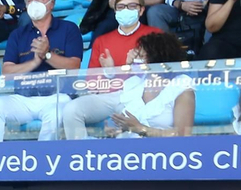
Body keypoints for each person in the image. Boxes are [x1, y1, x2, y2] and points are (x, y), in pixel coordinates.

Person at [0, 0, 83, 143]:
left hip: (57, 96)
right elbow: (7, 72)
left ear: (51, 4)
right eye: (30, 0)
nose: (34, 3)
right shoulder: (18, 34)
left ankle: (43, 158)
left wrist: (47, 55)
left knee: (57, 111)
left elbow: (74, 66)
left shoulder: (68, 29)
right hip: (23, 98)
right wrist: (35, 62)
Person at [63, 28, 193, 137]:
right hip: (124, 155)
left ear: (157, 58)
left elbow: (182, 135)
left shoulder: (181, 86)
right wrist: (115, 132)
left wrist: (141, 129)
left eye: (141, 57)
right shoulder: (136, 83)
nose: (137, 60)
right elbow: (115, 109)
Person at [85, 0, 155, 68]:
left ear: (141, 10)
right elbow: (91, 79)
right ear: (115, 11)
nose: (125, 10)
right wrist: (109, 72)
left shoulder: (156, 36)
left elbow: (166, 74)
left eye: (132, 6)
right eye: (120, 7)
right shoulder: (101, 42)